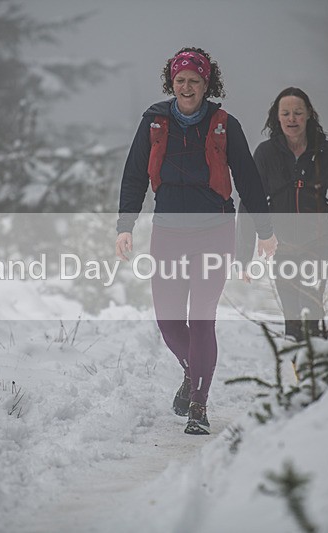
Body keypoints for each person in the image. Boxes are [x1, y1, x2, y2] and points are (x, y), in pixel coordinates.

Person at [115, 47, 277, 435]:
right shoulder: (154, 122)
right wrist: (125, 224)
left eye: (195, 80)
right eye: (181, 79)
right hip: (168, 231)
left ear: (207, 84)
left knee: (201, 318)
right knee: (169, 322)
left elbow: (249, 181)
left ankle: (199, 407)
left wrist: (266, 229)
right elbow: (135, 175)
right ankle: (193, 372)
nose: (186, 86)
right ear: (172, 82)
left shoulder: (225, 124)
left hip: (214, 231)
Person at [237, 87, 328, 340]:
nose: (291, 118)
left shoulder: (326, 153)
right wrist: (244, 254)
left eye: (297, 112)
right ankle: (298, 370)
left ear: (308, 116)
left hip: (318, 244)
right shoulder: (265, 154)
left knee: (311, 308)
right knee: (292, 312)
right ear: (277, 118)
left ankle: (315, 369)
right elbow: (250, 204)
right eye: (286, 113)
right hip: (281, 247)